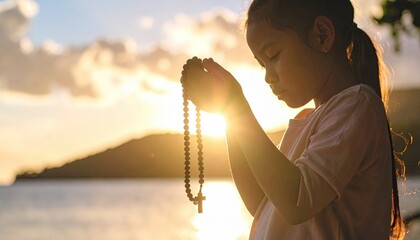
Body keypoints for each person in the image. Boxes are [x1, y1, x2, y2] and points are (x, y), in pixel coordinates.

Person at [181, 0, 405, 239]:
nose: (268, 77)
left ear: (322, 35)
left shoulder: (357, 105)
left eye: (273, 56)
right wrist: (228, 112)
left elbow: (297, 200)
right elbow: (263, 201)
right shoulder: (307, 120)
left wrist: (238, 108)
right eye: (262, 65)